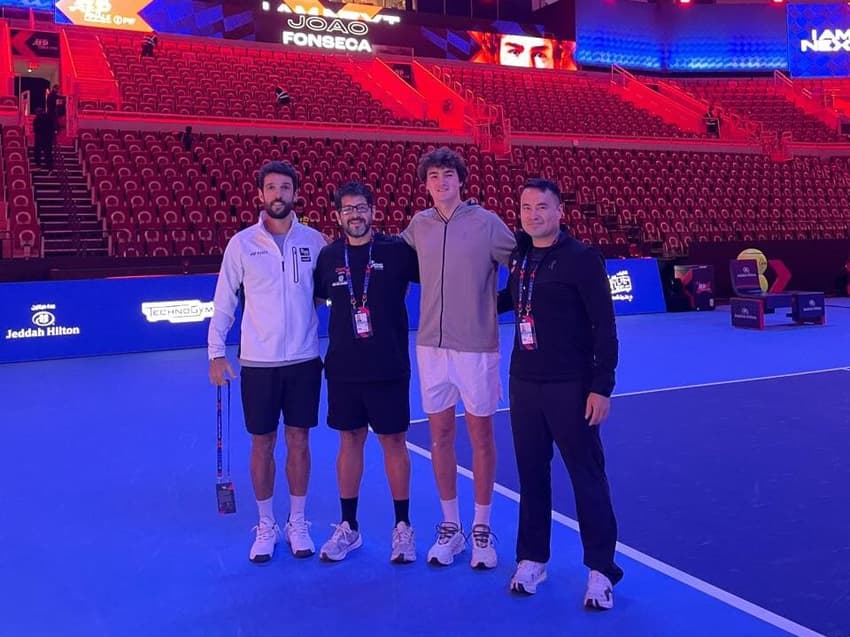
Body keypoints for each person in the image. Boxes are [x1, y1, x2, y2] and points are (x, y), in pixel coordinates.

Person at [498, 178, 623, 608]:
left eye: (542, 207)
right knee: (532, 475)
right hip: (524, 383)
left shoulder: (582, 259)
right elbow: (507, 302)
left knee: (586, 476)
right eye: (526, 207)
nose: (533, 214)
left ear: (559, 212)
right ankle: (532, 558)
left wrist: (601, 386)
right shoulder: (520, 257)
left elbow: (604, 326)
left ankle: (601, 570)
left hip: (571, 386)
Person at [401, 146, 516, 569]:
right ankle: (451, 527)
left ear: (460, 179)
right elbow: (396, 262)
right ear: (426, 183)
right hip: (430, 346)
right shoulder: (419, 225)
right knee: (440, 438)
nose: (441, 182)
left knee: (482, 437)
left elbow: (521, 263)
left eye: (448, 174)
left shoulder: (487, 223)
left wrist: (497, 302)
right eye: (433, 176)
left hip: (476, 348)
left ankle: (482, 527)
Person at [208, 160, 327, 564]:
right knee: (262, 443)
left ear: (296, 193)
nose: (278, 194)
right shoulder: (242, 244)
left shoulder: (315, 241)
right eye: (271, 187)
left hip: (304, 360)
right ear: (260, 194)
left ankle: (297, 521)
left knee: (299, 441)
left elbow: (326, 294)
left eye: (285, 187)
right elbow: (224, 300)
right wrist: (215, 352)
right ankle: (265, 524)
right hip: (258, 364)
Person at [313, 182, 420, 563]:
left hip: (389, 365)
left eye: (361, 207)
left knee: (394, 444)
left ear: (373, 211)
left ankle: (403, 527)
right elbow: (303, 298)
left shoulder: (398, 253)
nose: (355, 215)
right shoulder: (327, 257)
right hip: (343, 368)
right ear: (338, 216)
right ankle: (349, 527)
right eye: (347, 209)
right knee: (350, 442)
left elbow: (444, 273)